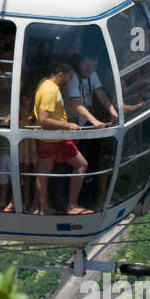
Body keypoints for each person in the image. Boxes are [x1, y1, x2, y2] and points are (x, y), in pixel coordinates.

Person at [32, 60, 90, 215]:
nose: (70, 80)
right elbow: (44, 120)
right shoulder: (51, 91)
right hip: (56, 139)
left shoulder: (44, 82)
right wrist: (68, 125)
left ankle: (44, 207)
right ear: (60, 74)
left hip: (45, 139)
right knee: (82, 165)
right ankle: (72, 206)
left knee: (43, 171)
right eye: (69, 76)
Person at [64, 54, 115, 128]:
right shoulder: (72, 76)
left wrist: (113, 113)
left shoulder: (93, 73)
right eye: (87, 66)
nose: (90, 70)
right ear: (80, 63)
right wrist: (94, 121)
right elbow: (75, 103)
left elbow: (101, 94)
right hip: (73, 117)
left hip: (87, 116)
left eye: (94, 66)